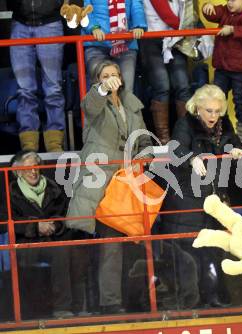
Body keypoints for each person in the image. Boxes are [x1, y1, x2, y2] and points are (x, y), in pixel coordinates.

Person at [66, 60, 152, 314]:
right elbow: (89, 104)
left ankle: (132, 299)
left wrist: (141, 161)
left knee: (132, 244)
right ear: (97, 80)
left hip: (129, 186)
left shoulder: (133, 105)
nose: (112, 78)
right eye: (105, 76)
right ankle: (110, 303)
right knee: (110, 244)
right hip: (101, 184)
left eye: (115, 74)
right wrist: (102, 89)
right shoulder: (95, 102)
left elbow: (145, 140)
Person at [158, 84, 242, 308]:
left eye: (217, 111)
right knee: (190, 254)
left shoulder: (224, 126)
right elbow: (175, 149)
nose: (213, 116)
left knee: (214, 251)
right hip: (187, 199)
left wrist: (235, 149)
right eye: (209, 111)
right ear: (197, 108)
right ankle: (190, 302)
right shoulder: (185, 123)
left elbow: (234, 142)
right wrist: (191, 158)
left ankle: (213, 297)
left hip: (214, 199)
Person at [9, 151, 87, 318]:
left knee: (75, 249)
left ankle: (77, 307)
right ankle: (60, 308)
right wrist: (35, 227)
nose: (33, 171)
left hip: (54, 238)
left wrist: (55, 224)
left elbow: (65, 213)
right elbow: (7, 221)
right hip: (26, 244)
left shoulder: (53, 188)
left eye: (36, 167)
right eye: (28, 168)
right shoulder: (11, 193)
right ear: (18, 171)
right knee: (60, 250)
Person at [6, 0, 65, 152]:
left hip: (50, 23)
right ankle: (28, 146)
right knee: (24, 89)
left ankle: (54, 144)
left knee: (53, 88)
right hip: (20, 24)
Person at [202, 0, 242, 140]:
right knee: (217, 98)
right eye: (228, 0)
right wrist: (207, 6)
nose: (229, 3)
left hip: (240, 70)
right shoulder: (225, 11)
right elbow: (212, 14)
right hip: (222, 67)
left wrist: (233, 30)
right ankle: (221, 128)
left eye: (233, 0)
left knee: (239, 99)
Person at [140, 0, 195, 145]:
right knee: (162, 86)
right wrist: (189, 28)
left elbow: (188, 12)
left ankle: (186, 135)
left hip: (176, 40)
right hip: (152, 39)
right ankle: (164, 140)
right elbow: (167, 15)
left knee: (183, 85)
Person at [82, 0, 147, 93]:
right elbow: (85, 8)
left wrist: (139, 25)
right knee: (98, 88)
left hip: (126, 44)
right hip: (96, 44)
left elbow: (137, 6)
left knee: (126, 89)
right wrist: (93, 28)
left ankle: (125, 108)